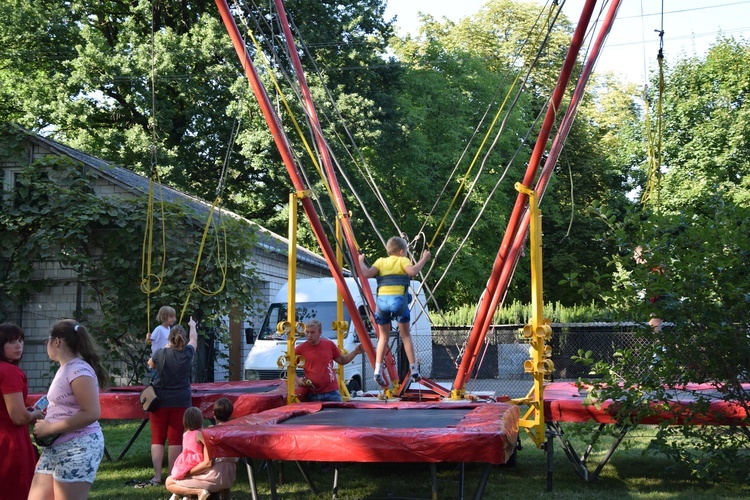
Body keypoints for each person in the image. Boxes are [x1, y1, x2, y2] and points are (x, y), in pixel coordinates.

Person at [28, 319, 110, 500]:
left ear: (56, 342)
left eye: (47, 341)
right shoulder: (66, 368)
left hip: (78, 446)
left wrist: (49, 428)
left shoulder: (79, 370)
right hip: (56, 447)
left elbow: (91, 413)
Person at [359, 236, 430, 387]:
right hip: (398, 302)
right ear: (401, 251)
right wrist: (424, 259)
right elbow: (412, 272)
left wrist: (360, 261)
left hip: (382, 304)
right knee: (405, 336)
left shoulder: (380, 262)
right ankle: (414, 369)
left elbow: (366, 274)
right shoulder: (402, 260)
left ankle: (377, 370)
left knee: (383, 338)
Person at [139, 316, 198, 488]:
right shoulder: (187, 352)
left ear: (169, 338)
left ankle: (157, 476)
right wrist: (192, 325)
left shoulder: (160, 353)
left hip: (160, 400)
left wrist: (164, 349)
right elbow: (194, 339)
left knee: (157, 438)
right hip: (181, 400)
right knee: (175, 439)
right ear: (183, 338)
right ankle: (172, 475)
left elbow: (151, 365)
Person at [0, 322, 45, 499]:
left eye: (20, 340)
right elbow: (18, 417)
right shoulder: (10, 372)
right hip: (9, 441)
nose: (18, 345)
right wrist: (34, 414)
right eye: (11, 341)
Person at [166, 398, 238, 500]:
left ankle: (198, 492)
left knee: (169, 481)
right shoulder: (235, 432)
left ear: (213, 414)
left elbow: (208, 463)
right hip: (230, 477)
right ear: (231, 414)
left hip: (214, 477)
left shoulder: (209, 434)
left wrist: (186, 472)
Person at [294, 319, 365, 402]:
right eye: (307, 332)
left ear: (320, 333)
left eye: (312, 332)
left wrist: (355, 352)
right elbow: (290, 367)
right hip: (313, 393)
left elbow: (342, 360)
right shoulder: (300, 349)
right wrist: (297, 380)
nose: (309, 335)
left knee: (338, 414)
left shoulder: (329, 345)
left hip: (332, 392)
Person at [170, 407, 206, 480]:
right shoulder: (199, 434)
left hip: (186, 459)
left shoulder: (185, 434)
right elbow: (208, 444)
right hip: (196, 460)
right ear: (200, 420)